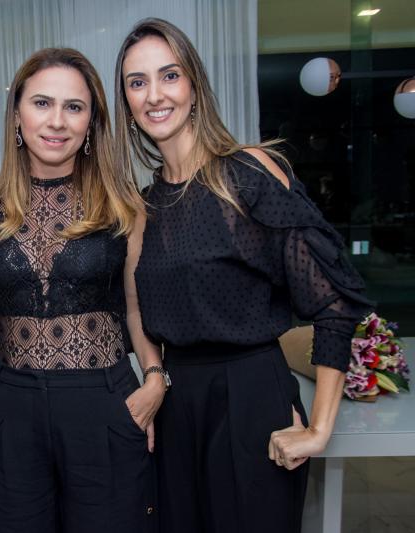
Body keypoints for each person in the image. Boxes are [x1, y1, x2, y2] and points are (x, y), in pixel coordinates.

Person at [113, 18, 374, 533]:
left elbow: (333, 301)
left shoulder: (248, 172)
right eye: (137, 82)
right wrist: (154, 374)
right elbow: (135, 306)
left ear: (194, 86)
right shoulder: (143, 206)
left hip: (251, 396)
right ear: (127, 101)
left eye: (169, 75)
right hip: (176, 406)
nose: (154, 95)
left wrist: (320, 427)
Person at [0, 47, 165, 533]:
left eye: (74, 107)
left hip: (104, 402)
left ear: (91, 122)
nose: (57, 121)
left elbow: (135, 307)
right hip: (11, 407)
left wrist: (155, 377)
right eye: (42, 103)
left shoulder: (122, 202)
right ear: (17, 113)